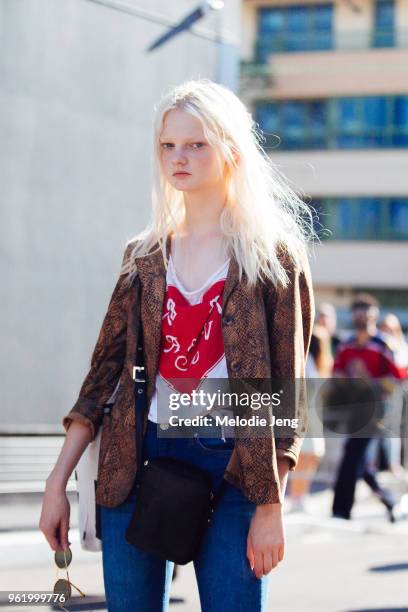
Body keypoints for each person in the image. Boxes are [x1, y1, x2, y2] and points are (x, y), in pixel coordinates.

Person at [39, 79, 315, 612]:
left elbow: (285, 396)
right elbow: (102, 378)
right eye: (168, 145)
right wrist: (59, 482)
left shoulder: (274, 258)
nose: (178, 157)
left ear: (231, 149)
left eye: (196, 144)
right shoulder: (143, 257)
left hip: (237, 468)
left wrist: (270, 504)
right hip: (139, 457)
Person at [331, 293, 405, 523]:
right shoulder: (347, 345)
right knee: (357, 460)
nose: (362, 317)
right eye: (358, 312)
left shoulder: (383, 345)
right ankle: (388, 500)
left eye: (367, 313)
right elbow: (336, 373)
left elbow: (398, 378)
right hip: (353, 409)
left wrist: (373, 385)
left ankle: (341, 510)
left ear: (374, 315)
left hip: (375, 409)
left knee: (352, 456)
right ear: (353, 315)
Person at [288, 323, 331, 512]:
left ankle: (300, 496)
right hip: (304, 414)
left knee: (311, 455)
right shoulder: (308, 362)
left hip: (312, 414)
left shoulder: (315, 363)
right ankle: (296, 496)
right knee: (304, 455)